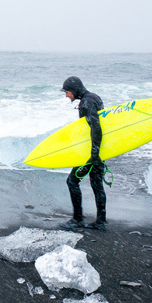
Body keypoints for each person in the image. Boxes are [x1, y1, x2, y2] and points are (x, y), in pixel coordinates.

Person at [59, 76, 107, 231]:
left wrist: (93, 156)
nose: (66, 95)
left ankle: (77, 219)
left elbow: (96, 129)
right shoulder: (94, 97)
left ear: (74, 90)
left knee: (72, 181)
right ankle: (101, 221)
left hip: (91, 153)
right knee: (97, 185)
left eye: (67, 91)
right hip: (99, 150)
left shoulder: (86, 103)